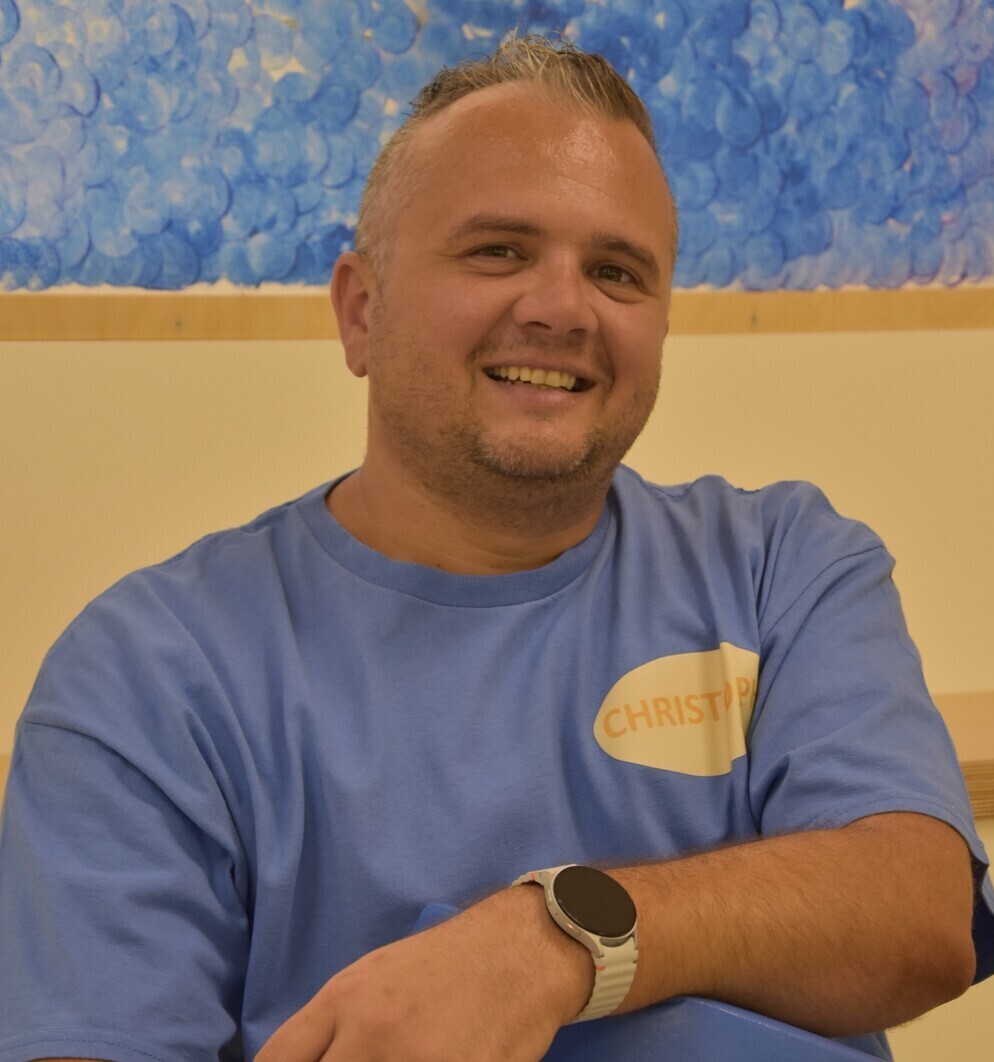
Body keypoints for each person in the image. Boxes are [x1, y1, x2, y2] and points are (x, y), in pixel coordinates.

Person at [1, 34, 991, 1062]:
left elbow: (921, 919)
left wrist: (551, 942)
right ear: (361, 312)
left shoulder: (785, 568)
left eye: (616, 272)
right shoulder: (150, 675)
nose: (561, 308)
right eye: (497, 252)